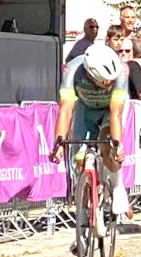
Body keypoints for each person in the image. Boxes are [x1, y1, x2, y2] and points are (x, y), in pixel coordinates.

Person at [50, 43, 131, 221]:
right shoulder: (71, 71)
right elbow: (65, 110)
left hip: (110, 110)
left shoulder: (122, 70)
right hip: (85, 109)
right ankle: (85, 219)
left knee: (107, 146)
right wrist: (59, 142)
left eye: (110, 81)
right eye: (103, 81)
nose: (108, 84)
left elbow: (116, 113)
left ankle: (118, 186)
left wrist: (117, 145)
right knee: (79, 159)